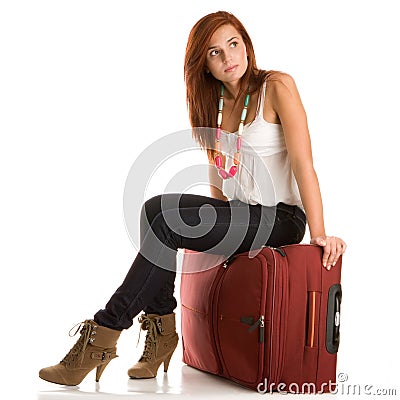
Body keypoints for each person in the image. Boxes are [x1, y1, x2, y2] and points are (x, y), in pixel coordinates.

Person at [39, 10, 346, 386]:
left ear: (247, 46)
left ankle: (104, 332)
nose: (228, 57)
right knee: (156, 209)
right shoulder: (212, 104)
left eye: (233, 44)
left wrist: (320, 233)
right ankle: (163, 330)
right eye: (215, 53)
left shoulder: (277, 86)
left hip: (281, 218)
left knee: (169, 222)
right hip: (242, 214)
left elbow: (303, 163)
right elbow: (219, 176)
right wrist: (220, 231)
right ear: (205, 64)